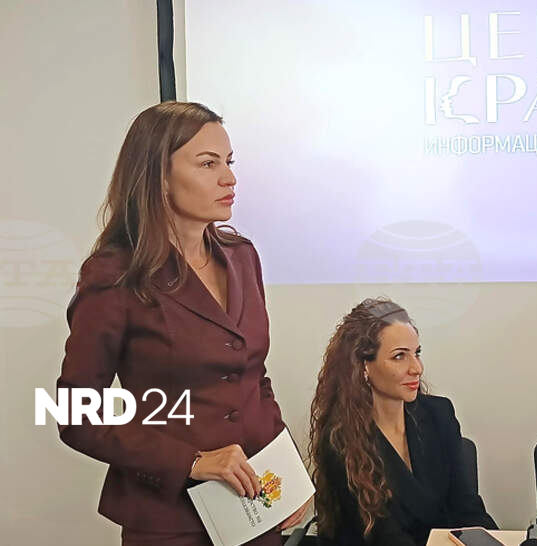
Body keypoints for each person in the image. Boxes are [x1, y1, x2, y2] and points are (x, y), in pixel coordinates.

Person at [57, 101, 308, 545]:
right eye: (208, 164)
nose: (229, 178)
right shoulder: (115, 276)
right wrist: (190, 461)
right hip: (170, 523)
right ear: (158, 176)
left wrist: (288, 476)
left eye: (229, 162)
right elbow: (75, 412)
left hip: (255, 508)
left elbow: (253, 379)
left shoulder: (242, 257)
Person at [308, 298, 497, 545]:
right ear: (363, 366)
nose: (417, 368)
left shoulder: (439, 414)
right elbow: (382, 536)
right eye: (399, 356)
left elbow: (468, 509)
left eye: (416, 353)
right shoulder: (340, 438)